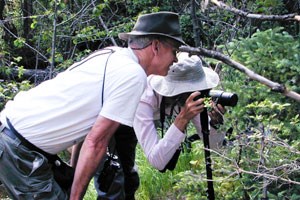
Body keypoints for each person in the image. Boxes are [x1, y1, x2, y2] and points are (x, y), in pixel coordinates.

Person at [0, 11, 186, 200]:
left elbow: (87, 127)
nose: (176, 59)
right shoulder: (133, 75)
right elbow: (96, 142)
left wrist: (73, 175)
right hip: (21, 149)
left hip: (14, 136)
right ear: (156, 46)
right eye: (174, 50)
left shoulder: (111, 55)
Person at [89, 53, 226, 200]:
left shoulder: (189, 94)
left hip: (132, 115)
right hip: (102, 114)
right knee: (113, 179)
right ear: (175, 91)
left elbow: (215, 146)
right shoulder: (144, 94)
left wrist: (215, 122)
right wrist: (181, 120)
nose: (196, 94)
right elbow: (157, 162)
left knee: (129, 178)